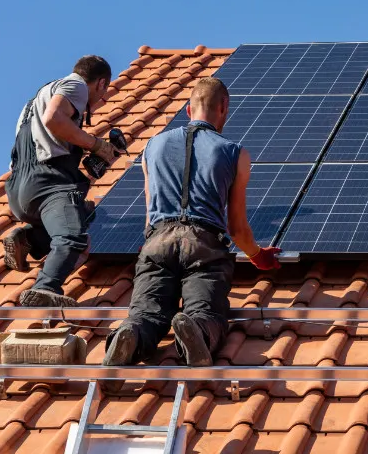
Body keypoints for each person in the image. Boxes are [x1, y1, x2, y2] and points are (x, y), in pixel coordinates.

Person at [103, 77, 281, 368]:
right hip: (203, 243)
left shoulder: (152, 146)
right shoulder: (234, 153)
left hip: (157, 241)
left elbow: (149, 209)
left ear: (188, 109)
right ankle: (197, 330)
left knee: (146, 313)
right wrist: (257, 255)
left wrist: (150, 246)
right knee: (206, 311)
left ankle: (132, 334)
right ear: (223, 108)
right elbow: (237, 228)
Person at [3, 55, 123, 307]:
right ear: (101, 83)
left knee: (85, 213)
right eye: (104, 91)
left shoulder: (36, 99)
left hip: (19, 189)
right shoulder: (76, 85)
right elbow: (54, 119)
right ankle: (45, 289)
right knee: (73, 238)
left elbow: (46, 137)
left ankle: (30, 239)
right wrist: (96, 145)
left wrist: (87, 152)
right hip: (49, 183)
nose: (102, 99)